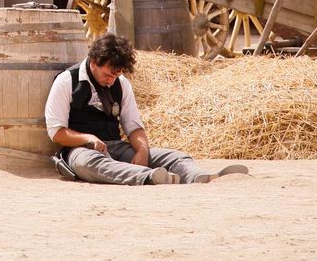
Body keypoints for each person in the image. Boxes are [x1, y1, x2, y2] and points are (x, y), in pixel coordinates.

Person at [45, 33, 247, 185]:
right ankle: (149, 177)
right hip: (81, 150)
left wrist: (142, 150)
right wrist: (88, 138)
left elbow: (134, 127)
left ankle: (198, 176)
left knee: (174, 156)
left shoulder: (121, 83)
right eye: (108, 75)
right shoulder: (66, 82)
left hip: (116, 146)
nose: (111, 80)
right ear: (94, 62)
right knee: (87, 165)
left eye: (116, 75)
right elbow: (57, 132)